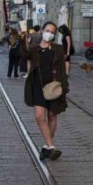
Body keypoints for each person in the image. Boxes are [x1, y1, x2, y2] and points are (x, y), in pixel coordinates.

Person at [21, 21, 69, 160]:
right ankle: (51, 146)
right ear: (42, 31)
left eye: (52, 32)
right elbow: (24, 54)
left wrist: (64, 88)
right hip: (37, 87)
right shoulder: (34, 49)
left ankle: (47, 147)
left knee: (52, 116)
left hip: (54, 87)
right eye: (47, 30)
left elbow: (62, 70)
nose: (49, 33)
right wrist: (23, 37)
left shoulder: (58, 49)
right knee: (39, 116)